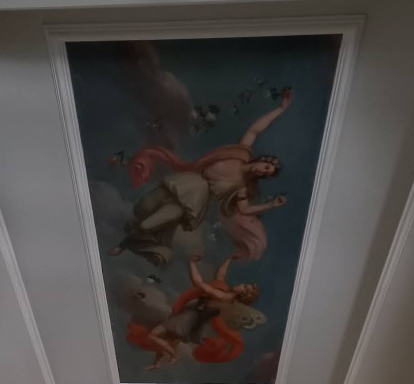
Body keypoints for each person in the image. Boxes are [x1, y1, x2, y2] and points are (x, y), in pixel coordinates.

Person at [109, 88, 292, 266]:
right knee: (143, 208)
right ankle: (132, 239)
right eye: (266, 167)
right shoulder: (240, 154)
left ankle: (125, 244)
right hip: (184, 182)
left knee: (147, 225)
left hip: (194, 200)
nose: (263, 171)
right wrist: (281, 108)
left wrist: (271, 204)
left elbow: (244, 210)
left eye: (266, 174)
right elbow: (254, 130)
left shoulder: (242, 186)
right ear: (263, 160)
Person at [129, 252, 260, 369]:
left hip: (189, 318)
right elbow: (220, 276)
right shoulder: (227, 294)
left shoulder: (222, 296)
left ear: (243, 294)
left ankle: (174, 355)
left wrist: (192, 263)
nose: (241, 284)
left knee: (154, 334)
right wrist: (229, 259)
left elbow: (198, 282)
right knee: (167, 339)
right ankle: (157, 363)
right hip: (193, 320)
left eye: (244, 286)